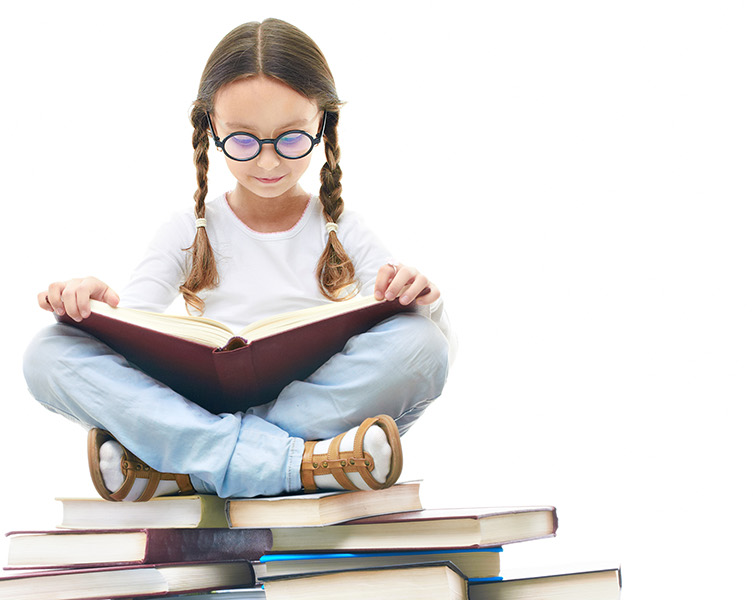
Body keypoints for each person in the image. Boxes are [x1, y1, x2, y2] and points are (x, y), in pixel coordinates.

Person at [23, 18, 453, 501]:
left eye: (291, 138)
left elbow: (415, 344)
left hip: (304, 405)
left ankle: (188, 461)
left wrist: (419, 296)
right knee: (47, 352)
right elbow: (135, 335)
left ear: (323, 124)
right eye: (243, 141)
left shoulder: (344, 228)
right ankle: (300, 462)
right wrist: (97, 311)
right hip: (201, 402)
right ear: (210, 128)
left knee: (423, 341)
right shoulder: (188, 229)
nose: (267, 164)